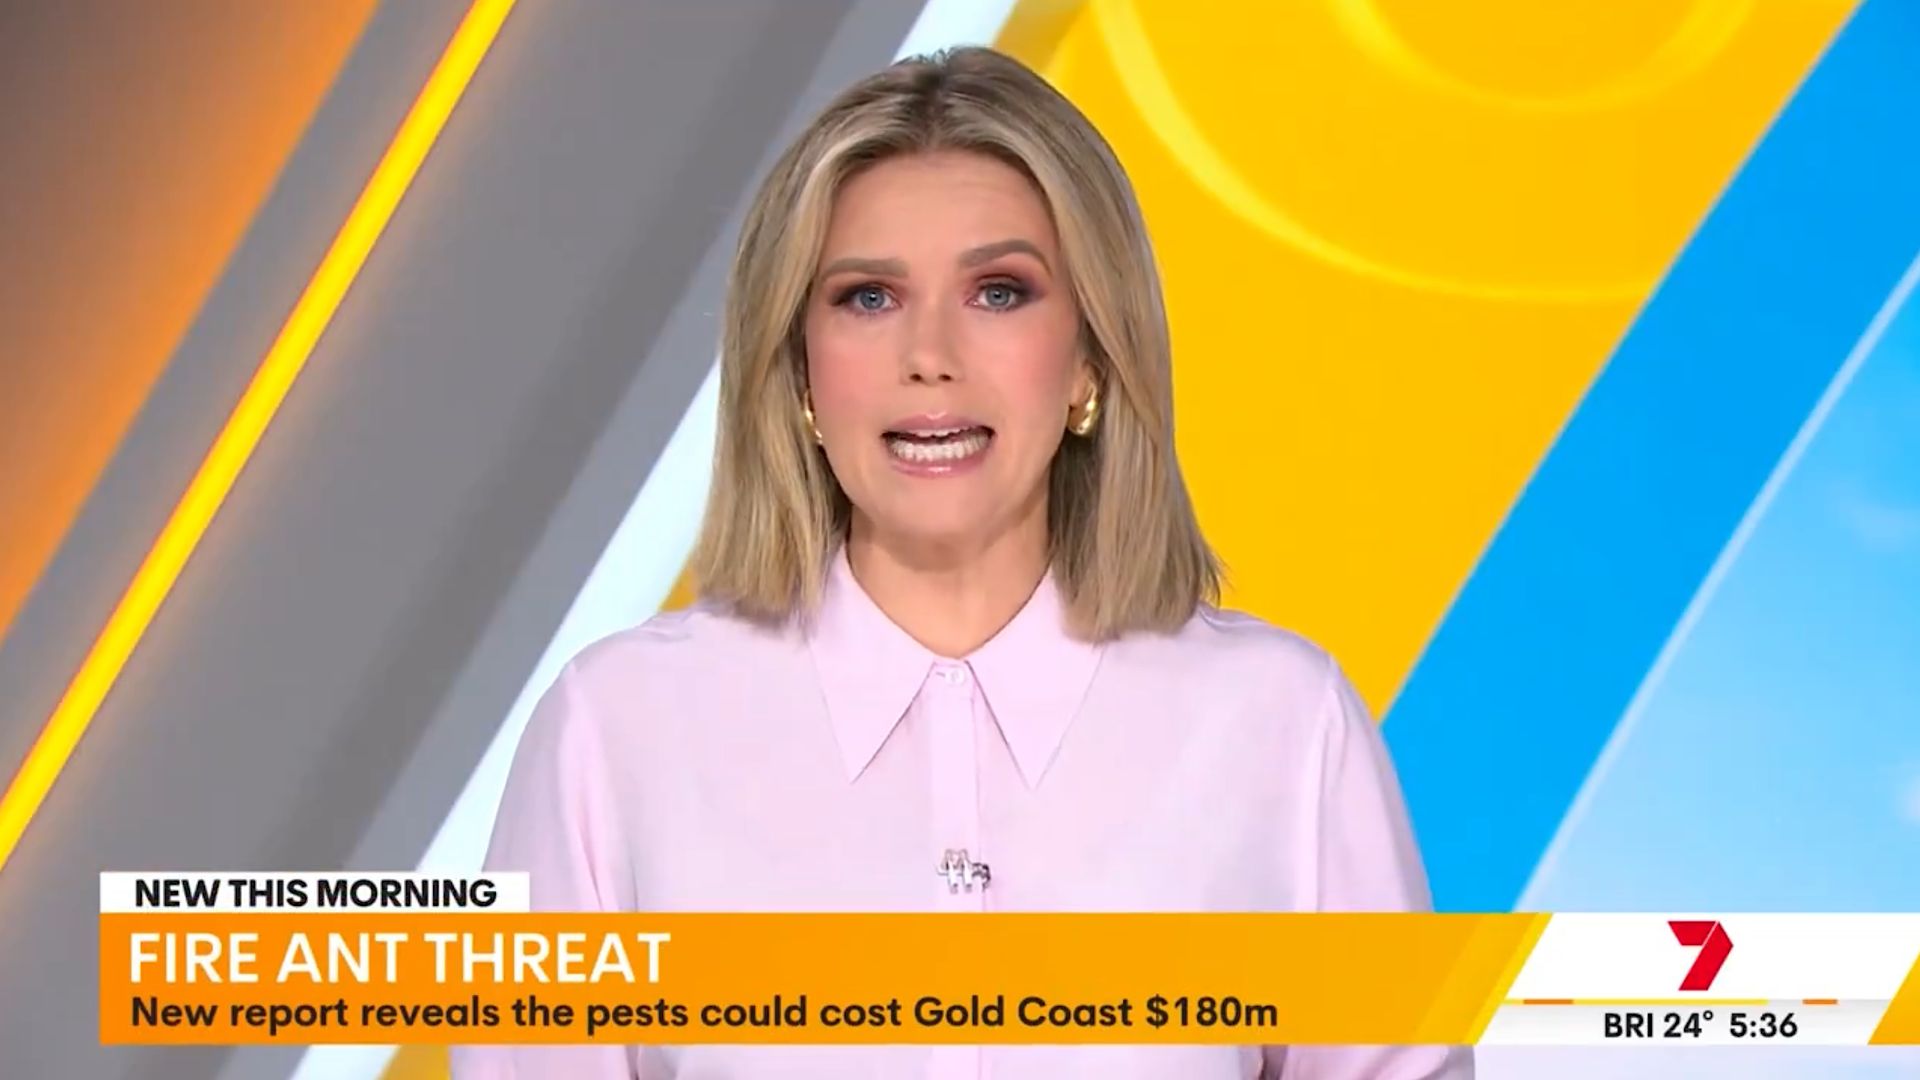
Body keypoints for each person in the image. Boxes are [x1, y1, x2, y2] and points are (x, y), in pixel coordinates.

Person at [452, 45, 1466, 1080]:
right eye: (868, 298)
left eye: (998, 292)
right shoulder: (615, 730)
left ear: (1089, 361)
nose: (930, 355)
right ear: (798, 374)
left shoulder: (1280, 724)